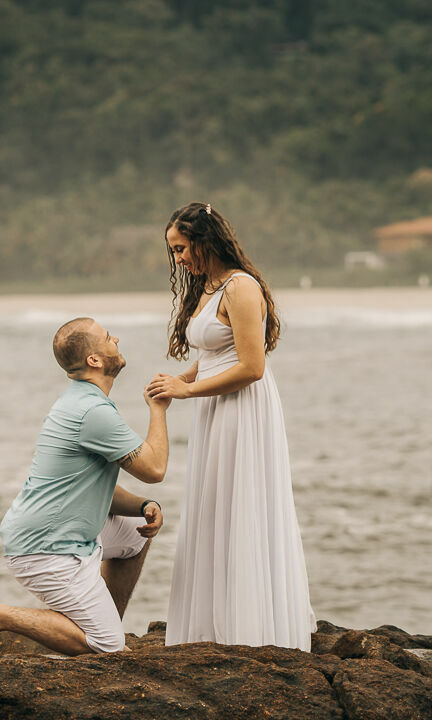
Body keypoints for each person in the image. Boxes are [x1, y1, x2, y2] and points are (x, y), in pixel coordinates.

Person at [147, 202, 315, 650]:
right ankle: (211, 625)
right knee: (215, 505)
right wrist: (177, 381)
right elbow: (213, 356)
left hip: (242, 408)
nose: (178, 259)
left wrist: (188, 392)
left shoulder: (242, 288)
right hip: (214, 407)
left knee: (241, 504)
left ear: (205, 240)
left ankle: (250, 629)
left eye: (181, 248)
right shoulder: (207, 286)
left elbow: (252, 367)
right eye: (174, 251)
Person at [0, 318, 170, 656]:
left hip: (57, 532)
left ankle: (98, 623)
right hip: (45, 547)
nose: (116, 339)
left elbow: (89, 490)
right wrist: (158, 409)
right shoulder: (92, 411)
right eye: (108, 337)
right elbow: (154, 468)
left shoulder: (81, 401)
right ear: (95, 359)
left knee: (136, 533)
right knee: (108, 647)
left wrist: (143, 505)